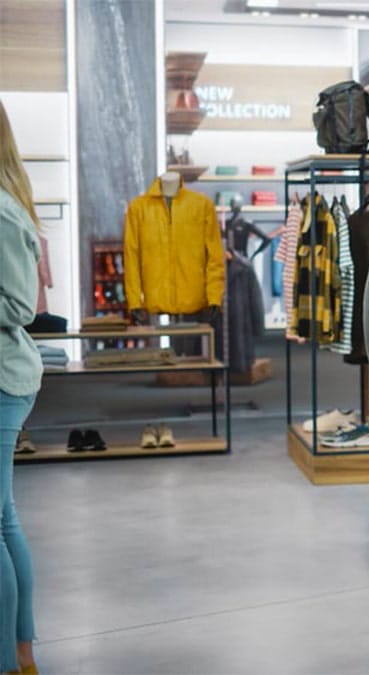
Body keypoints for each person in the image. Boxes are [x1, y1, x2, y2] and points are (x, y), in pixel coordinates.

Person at [0, 98, 45, 675]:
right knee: (3, 518)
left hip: (4, 377)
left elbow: (18, 304)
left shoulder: (4, 213)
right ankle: (21, 652)